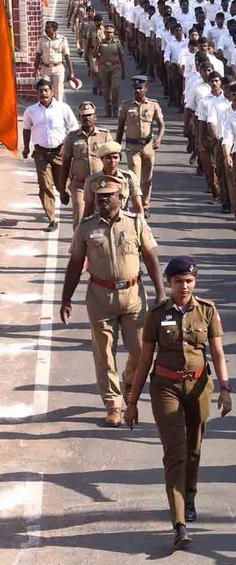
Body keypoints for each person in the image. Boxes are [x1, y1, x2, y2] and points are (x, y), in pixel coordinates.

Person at [122, 256, 232, 549]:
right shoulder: (158, 314)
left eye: (188, 281)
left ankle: (190, 494)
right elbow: (145, 359)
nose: (183, 286)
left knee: (194, 449)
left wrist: (224, 387)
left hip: (198, 387)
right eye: (178, 282)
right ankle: (179, 524)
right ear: (169, 284)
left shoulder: (207, 311)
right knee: (175, 454)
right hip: (166, 387)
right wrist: (132, 402)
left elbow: (218, 353)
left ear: (195, 282)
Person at [60, 174, 164, 425]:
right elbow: (74, 265)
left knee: (140, 350)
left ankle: (130, 381)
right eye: (99, 197)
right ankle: (113, 404)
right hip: (100, 297)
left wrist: (161, 293)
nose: (103, 201)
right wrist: (66, 299)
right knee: (104, 353)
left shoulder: (135, 223)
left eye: (108, 196)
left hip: (133, 296)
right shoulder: (86, 228)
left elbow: (150, 258)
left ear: (120, 197)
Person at [22, 78, 78, 231]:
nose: (43, 93)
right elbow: (26, 128)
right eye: (40, 91)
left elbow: (74, 128)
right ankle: (52, 219)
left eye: (46, 90)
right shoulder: (31, 111)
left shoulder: (63, 108)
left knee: (62, 185)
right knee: (45, 185)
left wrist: (67, 145)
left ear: (52, 91)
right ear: (37, 93)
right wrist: (26, 147)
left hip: (60, 152)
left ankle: (64, 192)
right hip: (41, 153)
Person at [115, 75, 166, 211]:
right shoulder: (126, 106)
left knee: (147, 179)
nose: (137, 91)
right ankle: (136, 207)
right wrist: (117, 148)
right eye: (135, 89)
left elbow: (161, 125)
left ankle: (145, 205)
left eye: (140, 88)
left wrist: (159, 139)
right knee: (134, 177)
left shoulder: (153, 105)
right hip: (132, 147)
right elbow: (120, 129)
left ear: (146, 89)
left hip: (148, 146)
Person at [58, 101, 112, 226]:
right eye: (84, 115)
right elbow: (65, 163)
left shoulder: (104, 135)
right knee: (79, 215)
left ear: (95, 117)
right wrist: (62, 189)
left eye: (90, 115)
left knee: (102, 217)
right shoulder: (72, 137)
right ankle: (78, 244)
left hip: (101, 184)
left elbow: (112, 160)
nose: (87, 118)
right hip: (80, 184)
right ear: (79, 118)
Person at [35, 20, 78, 101]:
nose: (45, 29)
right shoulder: (41, 39)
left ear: (54, 29)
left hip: (58, 68)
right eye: (45, 27)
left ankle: (58, 110)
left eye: (48, 28)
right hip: (45, 69)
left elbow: (67, 56)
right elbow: (38, 54)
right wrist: (36, 69)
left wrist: (71, 72)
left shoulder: (62, 40)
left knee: (58, 90)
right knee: (45, 89)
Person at [94, 23, 126, 117]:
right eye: (107, 32)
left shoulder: (117, 42)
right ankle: (108, 110)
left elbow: (121, 56)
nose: (109, 34)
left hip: (115, 67)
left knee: (115, 88)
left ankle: (115, 110)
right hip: (103, 68)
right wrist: (97, 45)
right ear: (104, 33)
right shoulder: (101, 42)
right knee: (106, 90)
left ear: (113, 33)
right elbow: (95, 55)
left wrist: (123, 70)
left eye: (110, 32)